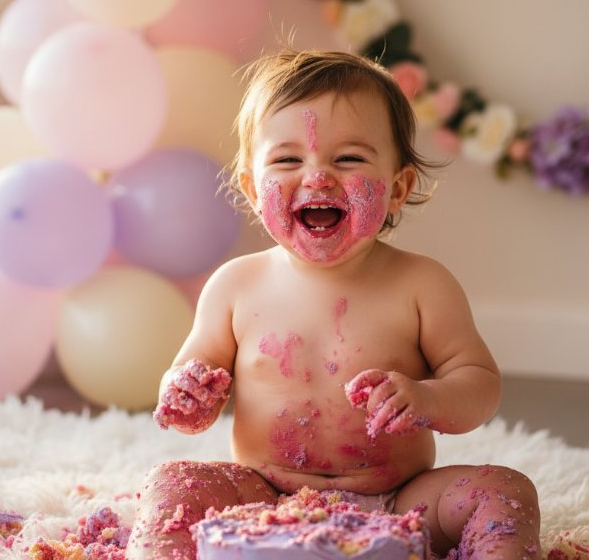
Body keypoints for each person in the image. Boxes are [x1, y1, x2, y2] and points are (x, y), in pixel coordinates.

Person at [128, 49, 540, 560]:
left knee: (506, 490)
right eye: (287, 159)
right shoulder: (235, 285)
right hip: (262, 498)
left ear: (397, 188)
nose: (317, 177)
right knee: (173, 482)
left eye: (349, 158)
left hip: (399, 503)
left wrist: (429, 399)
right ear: (253, 189)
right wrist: (185, 393)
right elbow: (193, 379)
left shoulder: (422, 284)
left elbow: (479, 383)